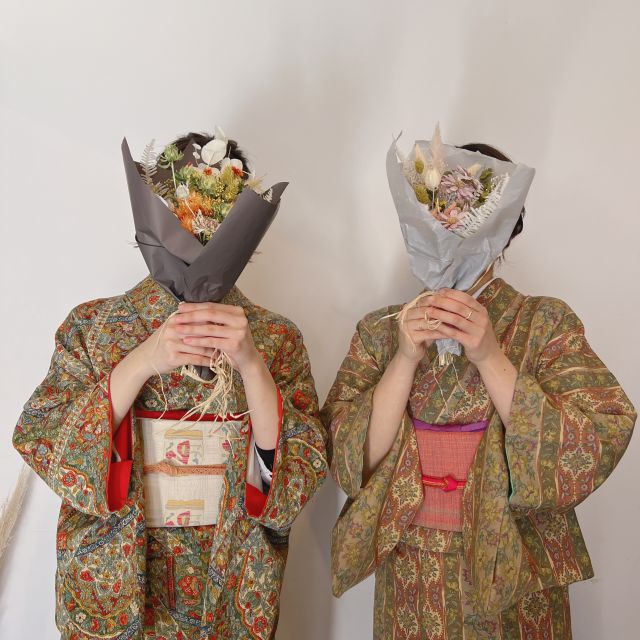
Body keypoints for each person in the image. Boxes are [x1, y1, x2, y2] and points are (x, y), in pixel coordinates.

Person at [13, 129, 328, 640]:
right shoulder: (93, 327)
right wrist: (142, 360)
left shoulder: (274, 338)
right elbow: (44, 439)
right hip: (122, 568)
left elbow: (300, 476)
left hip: (227, 566)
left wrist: (252, 365)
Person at [322, 131, 636, 639]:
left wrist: (490, 355)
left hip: (513, 563)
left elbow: (598, 436)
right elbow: (349, 459)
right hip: (412, 566)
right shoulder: (381, 330)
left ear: (507, 227)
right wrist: (404, 358)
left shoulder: (545, 322)